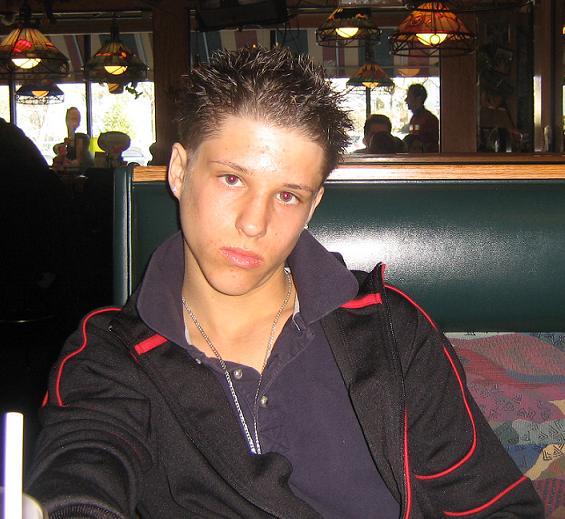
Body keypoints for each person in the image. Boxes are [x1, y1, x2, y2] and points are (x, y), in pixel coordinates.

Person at [27, 47, 543, 518]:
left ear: (312, 205)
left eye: (287, 195)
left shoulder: (390, 332)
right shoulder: (111, 356)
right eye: (232, 179)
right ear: (179, 171)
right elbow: (83, 469)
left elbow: (495, 506)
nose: (254, 223)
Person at [405, 84, 439, 152]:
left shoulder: (430, 119)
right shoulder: (413, 119)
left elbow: (430, 146)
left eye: (409, 97)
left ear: (418, 98)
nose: (406, 100)